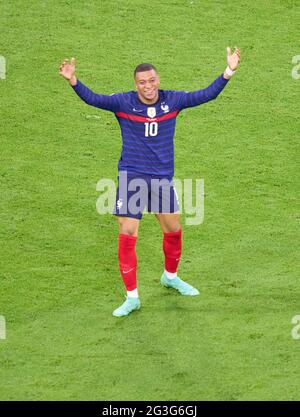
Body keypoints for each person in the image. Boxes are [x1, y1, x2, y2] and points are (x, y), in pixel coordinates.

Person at [59, 47, 240, 317]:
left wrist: (229, 71)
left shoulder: (173, 100)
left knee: (173, 229)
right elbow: (94, 99)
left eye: (152, 80)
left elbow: (205, 95)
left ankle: (170, 276)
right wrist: (74, 80)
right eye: (143, 82)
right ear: (136, 85)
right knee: (128, 233)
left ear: (158, 80)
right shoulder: (123, 103)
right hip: (132, 177)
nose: (149, 86)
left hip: (161, 179)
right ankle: (132, 297)